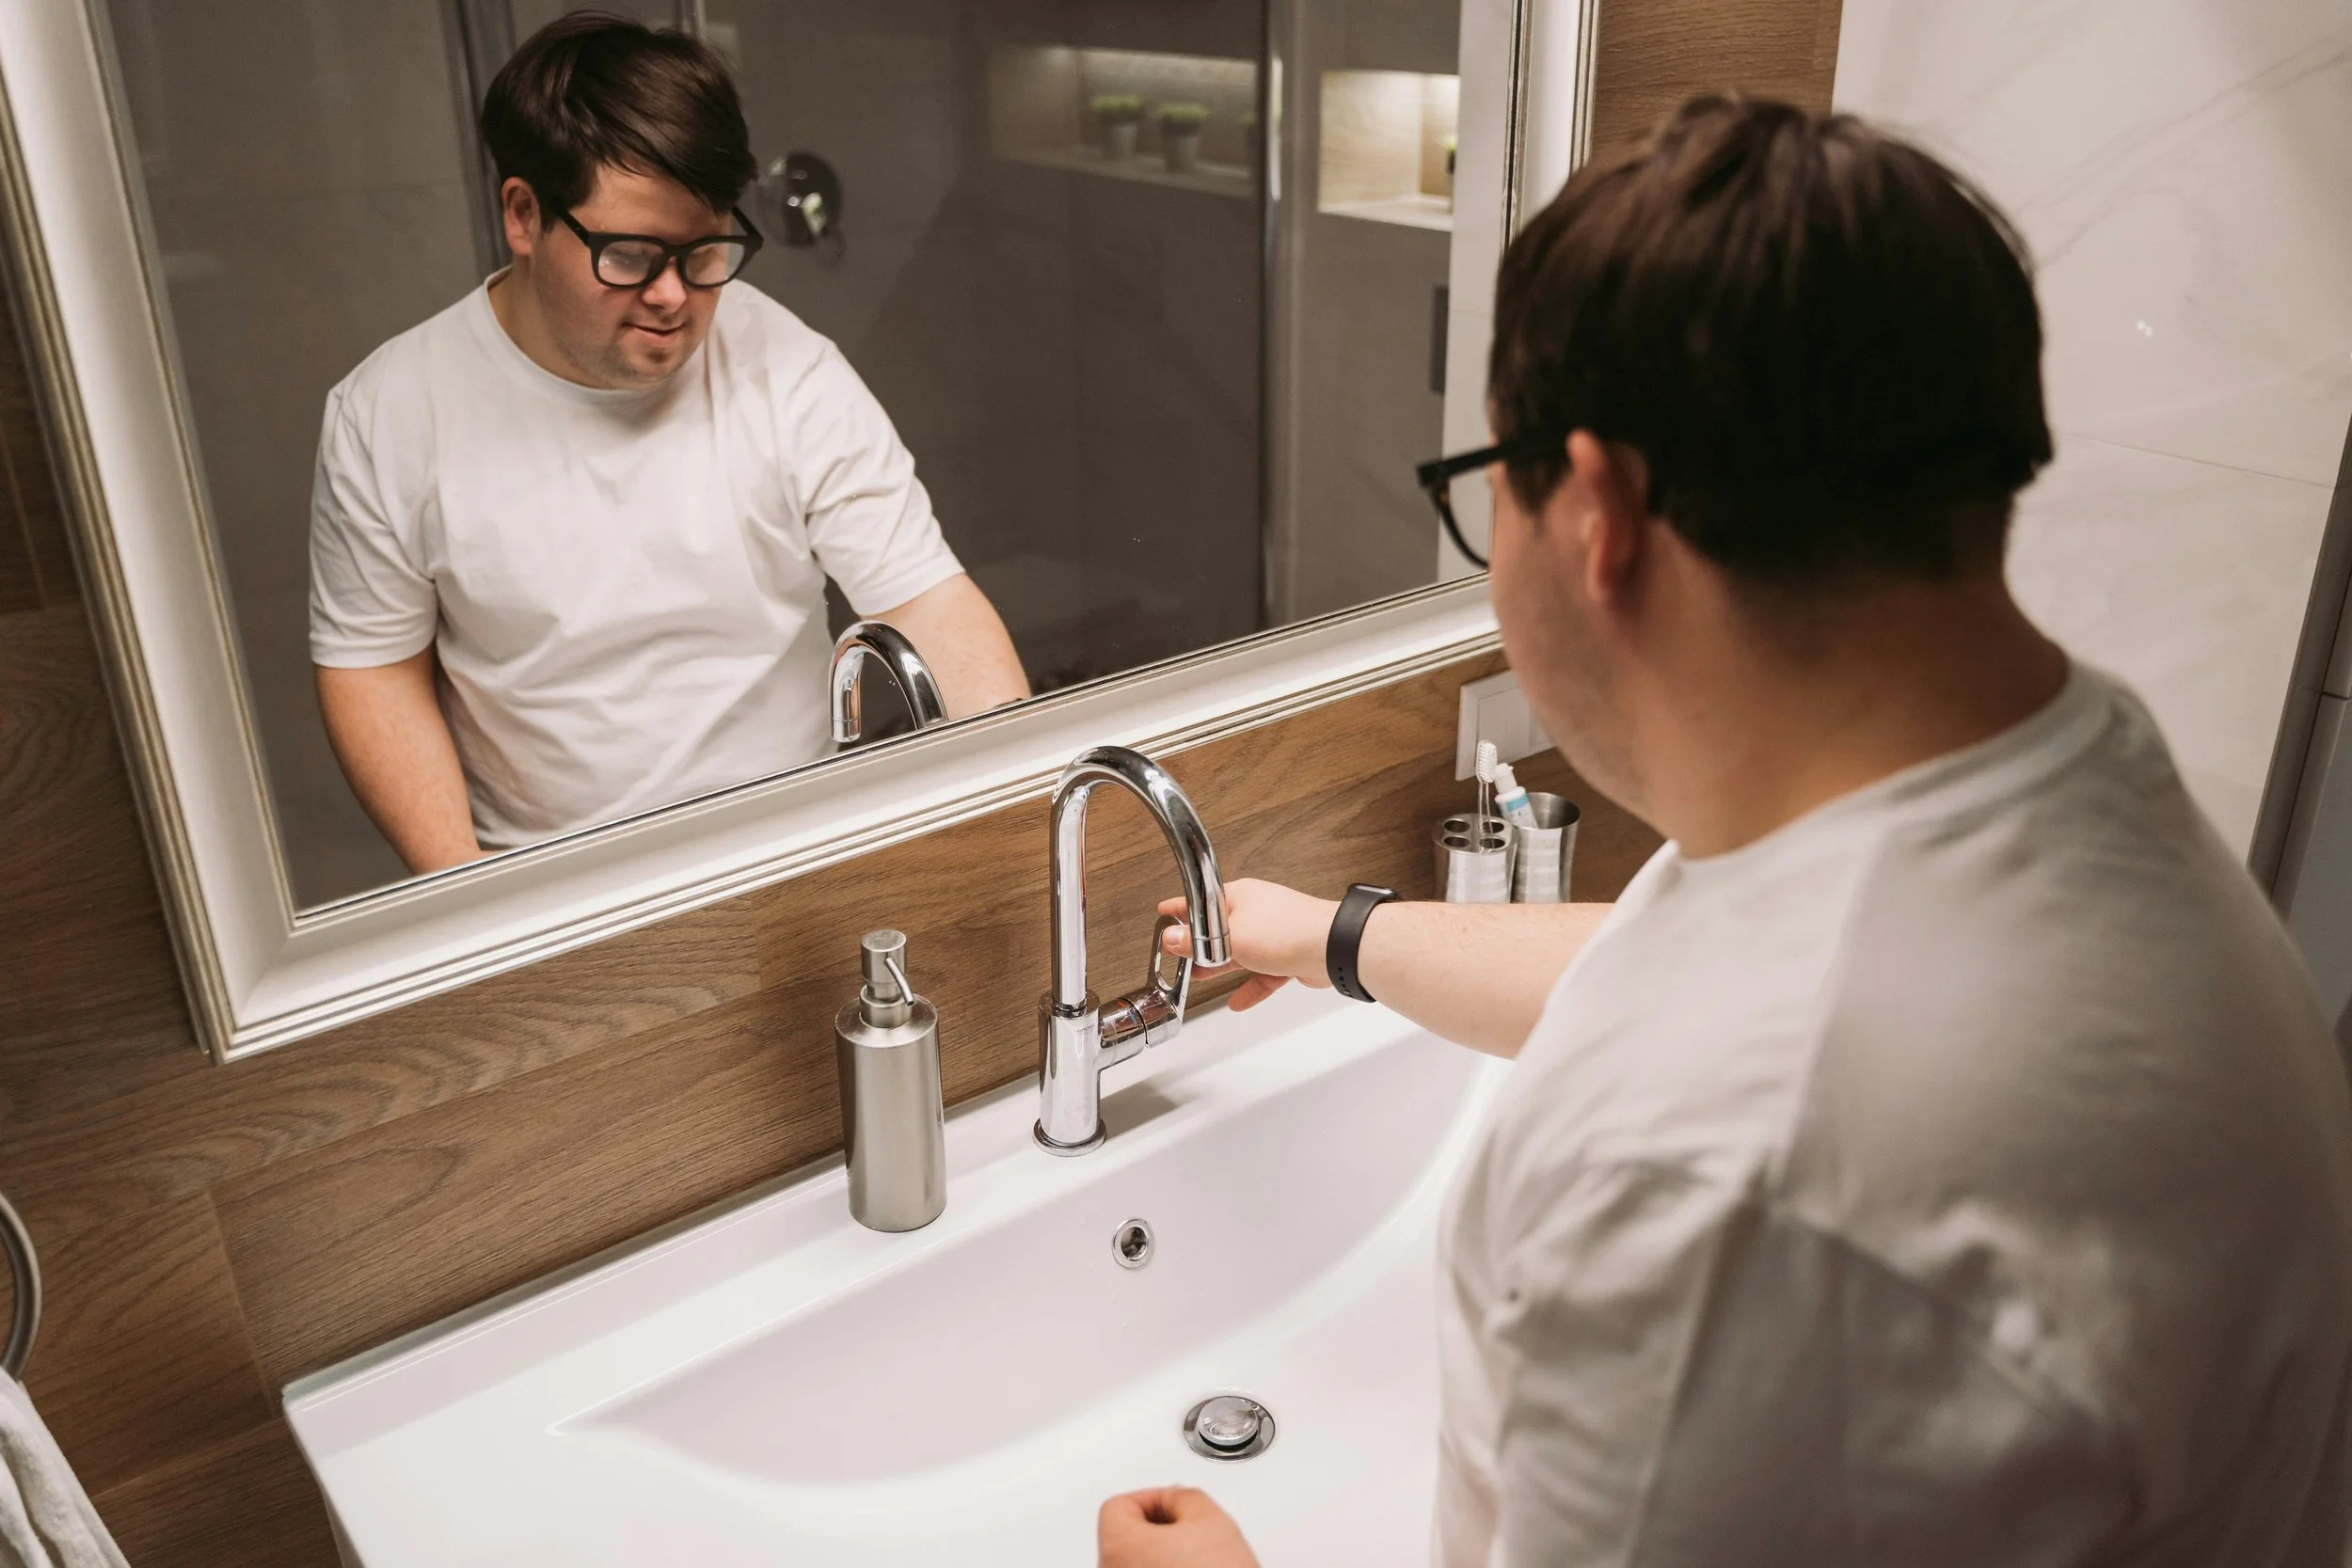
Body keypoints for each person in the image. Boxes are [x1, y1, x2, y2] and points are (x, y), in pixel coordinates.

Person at [1099, 98, 2352, 1567]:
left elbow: (1752, 1078)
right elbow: (1682, 965)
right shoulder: (2046, 781)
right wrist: (1335, 935)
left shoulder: (1736, 1198)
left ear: (1602, 516)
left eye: (1488, 486)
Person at [309, 14, 1027, 873]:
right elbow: (374, 669)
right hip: (543, 877)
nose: (672, 296)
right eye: (631, 254)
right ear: (524, 214)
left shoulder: (789, 368)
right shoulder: (388, 413)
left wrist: (1017, 809)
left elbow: (924, 603)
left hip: (792, 843)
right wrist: (466, 895)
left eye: (704, 252)